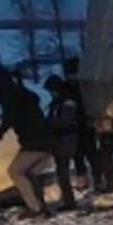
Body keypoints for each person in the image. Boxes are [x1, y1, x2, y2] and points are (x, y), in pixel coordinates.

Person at [0, 68, 56, 217]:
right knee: (30, 174)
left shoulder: (9, 96)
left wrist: (0, 131)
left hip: (33, 142)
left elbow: (9, 116)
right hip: (46, 140)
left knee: (15, 171)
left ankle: (36, 209)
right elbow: (29, 99)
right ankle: (40, 206)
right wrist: (20, 83)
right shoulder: (23, 94)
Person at [43, 74, 82, 212]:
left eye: (51, 91)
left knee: (62, 173)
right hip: (64, 140)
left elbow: (65, 122)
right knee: (61, 172)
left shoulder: (66, 102)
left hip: (66, 141)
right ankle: (68, 200)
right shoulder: (61, 101)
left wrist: (47, 123)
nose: (51, 94)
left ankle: (69, 201)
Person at [63, 57, 98, 189]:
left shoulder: (83, 87)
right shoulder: (83, 86)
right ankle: (88, 180)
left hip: (83, 125)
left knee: (89, 155)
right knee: (81, 155)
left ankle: (94, 180)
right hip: (79, 126)